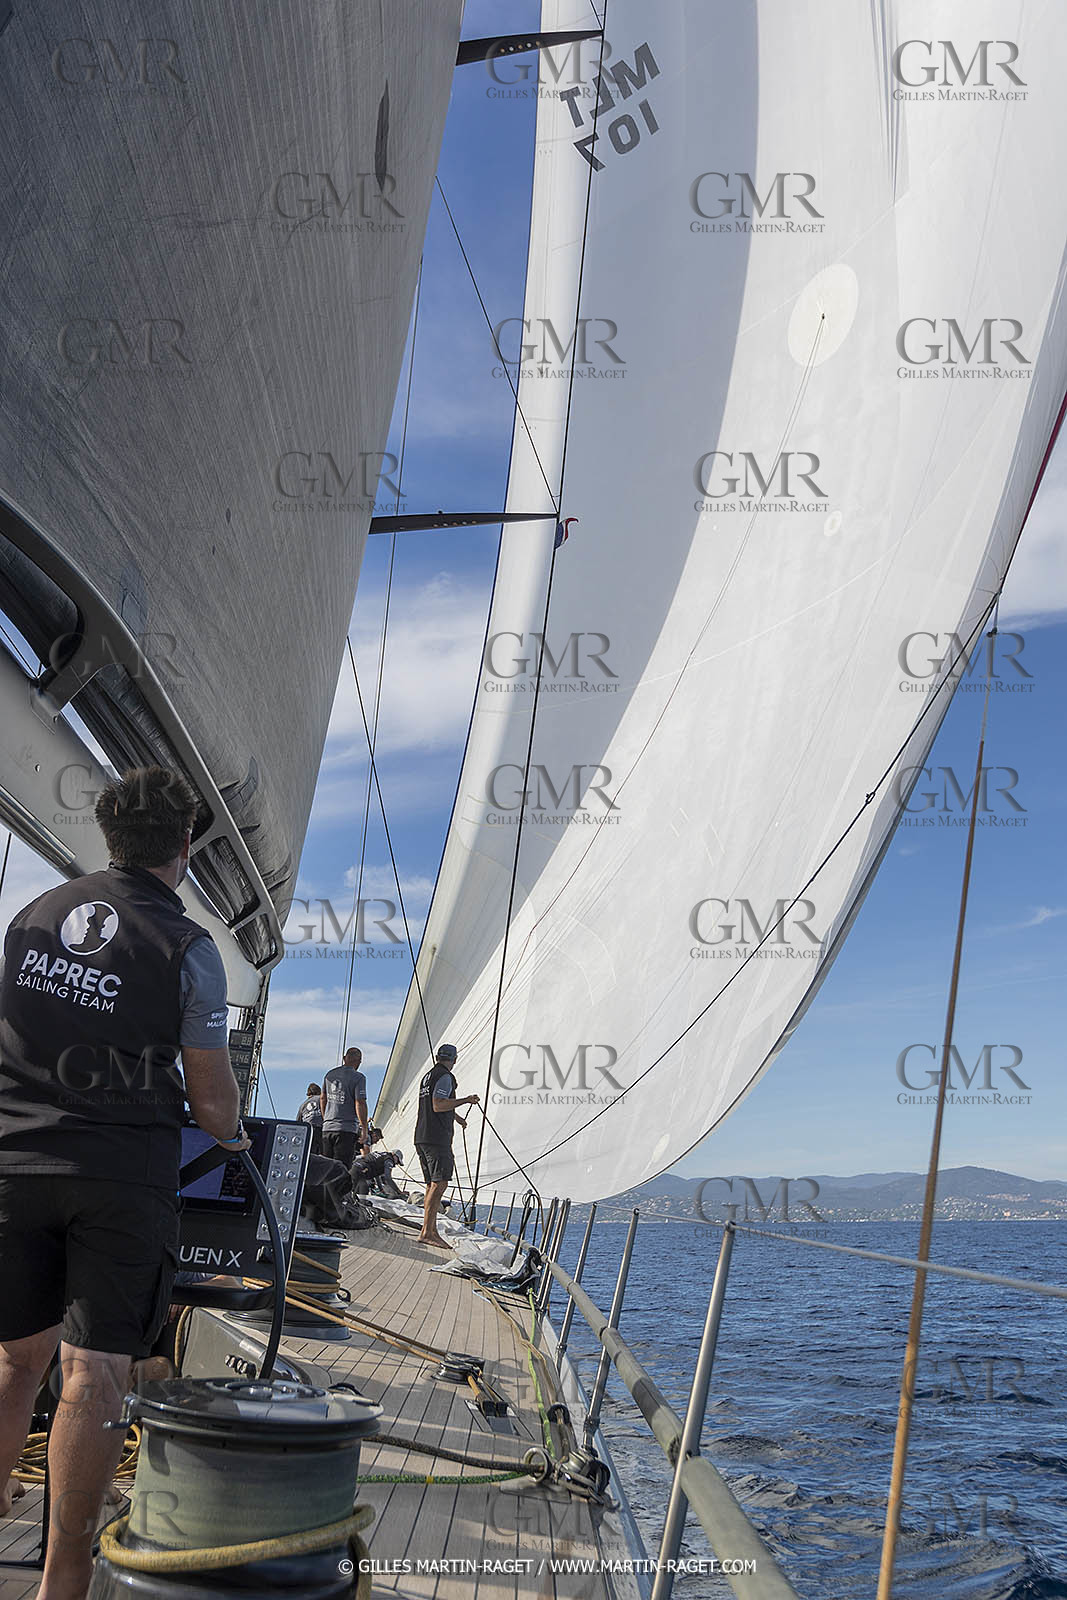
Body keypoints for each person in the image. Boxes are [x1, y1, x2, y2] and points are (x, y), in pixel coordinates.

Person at [0, 766, 250, 1600]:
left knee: (12, 1363)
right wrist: (237, 1133)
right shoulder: (187, 948)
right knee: (95, 1373)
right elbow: (212, 1107)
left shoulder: (32, 917)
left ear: (110, 838)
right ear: (183, 846)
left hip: (14, 1165)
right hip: (120, 1179)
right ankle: (62, 1585)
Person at [413, 1044, 479, 1248]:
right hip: (436, 1139)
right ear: (455, 1059)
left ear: (437, 1057)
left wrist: (457, 1118)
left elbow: (433, 1105)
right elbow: (438, 1104)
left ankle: (429, 1230)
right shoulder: (445, 1076)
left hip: (422, 1136)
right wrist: (466, 1100)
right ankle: (427, 1232)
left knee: (431, 1185)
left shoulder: (428, 1076)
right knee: (440, 1183)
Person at [320, 1047, 370, 1170]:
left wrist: (326, 1118)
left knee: (327, 1168)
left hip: (327, 1129)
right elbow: (360, 1102)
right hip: (346, 1129)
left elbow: (322, 1098)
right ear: (359, 1062)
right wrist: (364, 1128)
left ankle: (327, 1190)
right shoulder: (359, 1077)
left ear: (344, 1058)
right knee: (341, 1169)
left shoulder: (330, 1074)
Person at [297, 1081, 324, 1155]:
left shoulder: (303, 1105)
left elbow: (298, 1123)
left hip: (308, 1131)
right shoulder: (321, 1099)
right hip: (320, 1130)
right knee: (323, 1155)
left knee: (310, 1154)